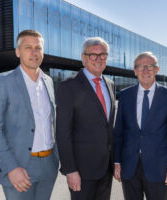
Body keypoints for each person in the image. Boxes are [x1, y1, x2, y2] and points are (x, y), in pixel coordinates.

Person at [0, 30, 58, 200]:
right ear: (18, 52)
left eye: (38, 48)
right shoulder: (2, 81)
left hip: (48, 165)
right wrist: (11, 168)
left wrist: (56, 160)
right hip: (19, 167)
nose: (34, 53)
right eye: (28, 48)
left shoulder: (48, 82)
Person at [114, 52, 167, 200]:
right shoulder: (125, 96)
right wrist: (117, 161)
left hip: (158, 167)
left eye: (150, 66)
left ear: (157, 70)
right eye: (141, 66)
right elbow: (118, 132)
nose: (145, 70)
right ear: (135, 71)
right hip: (129, 166)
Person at [56, 37, 116, 200]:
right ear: (83, 58)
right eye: (93, 55)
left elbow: (108, 127)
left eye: (103, 55)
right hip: (81, 171)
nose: (99, 59)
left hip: (106, 169)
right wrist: (70, 170)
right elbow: (63, 133)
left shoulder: (110, 84)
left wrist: (115, 161)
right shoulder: (68, 86)